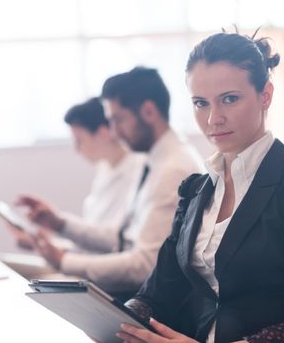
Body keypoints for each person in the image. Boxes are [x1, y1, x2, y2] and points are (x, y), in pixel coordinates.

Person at [119, 31, 284, 343]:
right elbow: (157, 294)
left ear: (265, 95)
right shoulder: (196, 191)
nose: (213, 118)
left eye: (229, 99)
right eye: (201, 103)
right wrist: (117, 321)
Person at [31, 67, 203, 294]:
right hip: (134, 291)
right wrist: (61, 225)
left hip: (148, 302)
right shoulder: (153, 161)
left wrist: (67, 261)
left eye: (118, 120)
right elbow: (122, 238)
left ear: (148, 112)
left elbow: (146, 265)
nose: (114, 132)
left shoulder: (173, 169)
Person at [7, 97, 146, 278]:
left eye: (79, 140)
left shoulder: (136, 173)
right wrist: (46, 243)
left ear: (104, 134)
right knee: (1, 263)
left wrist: (60, 234)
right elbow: (91, 244)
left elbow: (116, 245)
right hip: (83, 262)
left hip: (101, 275)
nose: (76, 149)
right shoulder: (105, 170)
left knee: (26, 283)